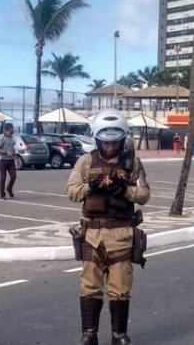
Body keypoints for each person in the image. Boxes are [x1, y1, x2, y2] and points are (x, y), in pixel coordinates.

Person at [67, 110, 150, 345]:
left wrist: (124, 190)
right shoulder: (85, 162)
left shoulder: (133, 164)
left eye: (114, 142)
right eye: (105, 142)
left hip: (122, 233)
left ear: (122, 139)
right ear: (97, 139)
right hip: (92, 234)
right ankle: (89, 334)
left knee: (121, 289)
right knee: (90, 287)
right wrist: (91, 186)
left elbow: (144, 195)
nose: (110, 147)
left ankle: (119, 334)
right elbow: (72, 191)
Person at [0, 122, 17, 200]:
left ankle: (9, 188)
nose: (13, 130)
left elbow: (12, 147)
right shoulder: (2, 138)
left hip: (11, 160)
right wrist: (5, 152)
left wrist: (14, 155)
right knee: (3, 178)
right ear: (8, 129)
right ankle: (2, 194)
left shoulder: (12, 138)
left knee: (13, 177)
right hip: (3, 160)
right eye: (12, 128)